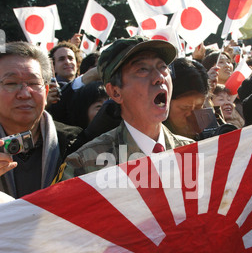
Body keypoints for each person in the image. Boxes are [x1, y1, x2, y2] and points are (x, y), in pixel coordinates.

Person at [58, 35, 194, 181]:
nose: (159, 77)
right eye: (142, 69)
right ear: (115, 92)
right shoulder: (85, 166)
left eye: (163, 67)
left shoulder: (192, 153)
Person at [0, 41, 86, 199]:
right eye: (11, 83)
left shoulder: (76, 144)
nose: (25, 94)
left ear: (46, 91)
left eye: (34, 83)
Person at [163, 57, 210, 139]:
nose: (192, 116)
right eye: (184, 108)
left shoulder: (209, 127)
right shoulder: (154, 137)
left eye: (198, 107)